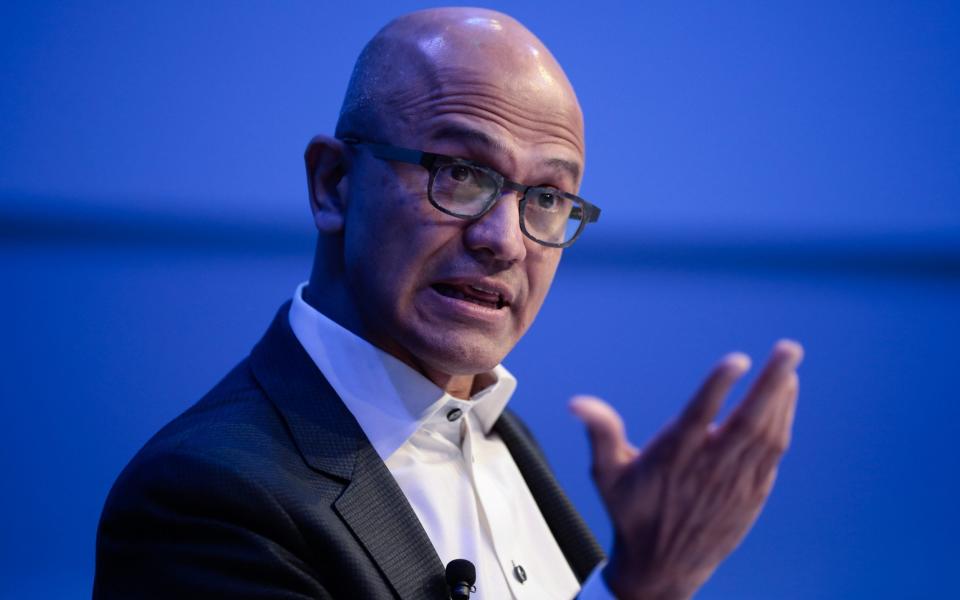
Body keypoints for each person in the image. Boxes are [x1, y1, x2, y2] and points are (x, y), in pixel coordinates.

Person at [94, 7, 803, 599]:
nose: (504, 242)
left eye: (548, 198)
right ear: (335, 185)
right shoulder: (206, 498)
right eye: (461, 173)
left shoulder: (500, 436)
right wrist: (639, 587)